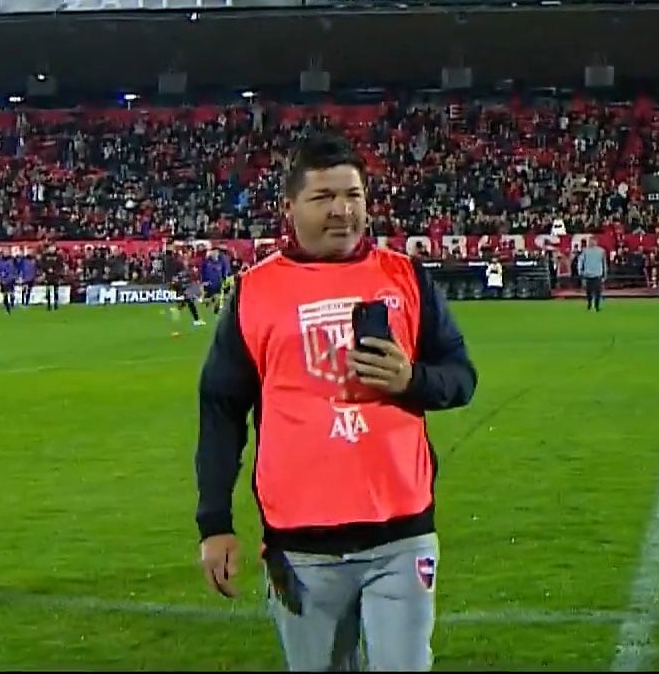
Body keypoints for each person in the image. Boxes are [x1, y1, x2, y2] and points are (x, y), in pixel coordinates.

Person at [195, 133, 479, 672]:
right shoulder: (254, 292)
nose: (342, 211)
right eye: (323, 197)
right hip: (301, 545)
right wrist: (215, 523)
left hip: (402, 532)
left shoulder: (406, 277)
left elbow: (461, 377)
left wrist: (412, 379)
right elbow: (220, 412)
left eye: (353, 195)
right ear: (289, 207)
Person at [575, 234, 607, 311]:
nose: (592, 243)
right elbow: (580, 261)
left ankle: (597, 306)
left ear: (596, 242)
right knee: (588, 292)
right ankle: (589, 303)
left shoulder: (601, 251)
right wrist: (580, 270)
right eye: (590, 241)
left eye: (593, 241)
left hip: (597, 274)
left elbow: (604, 263)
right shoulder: (585, 251)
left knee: (598, 292)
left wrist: (604, 273)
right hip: (588, 274)